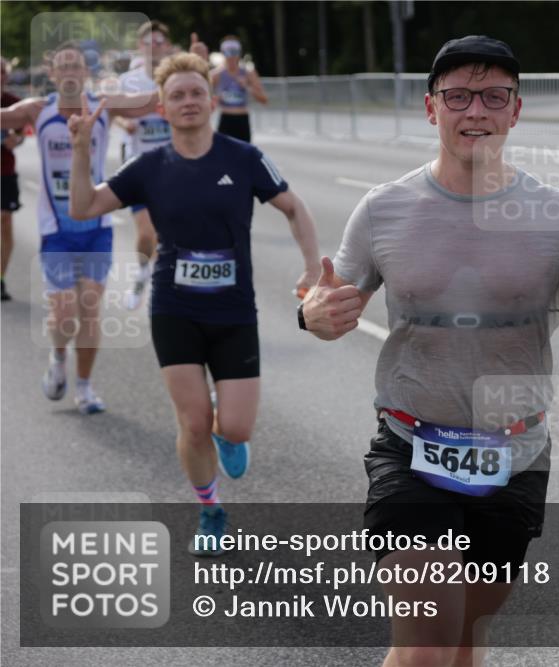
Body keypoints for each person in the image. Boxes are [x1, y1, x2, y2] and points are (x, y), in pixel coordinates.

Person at [301, 35, 559, 667]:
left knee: (466, 634)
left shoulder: (558, 216)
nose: (476, 113)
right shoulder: (384, 209)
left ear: (515, 111)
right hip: (410, 445)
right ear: (432, 109)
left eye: (493, 97)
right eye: (458, 96)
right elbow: (327, 305)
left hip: (514, 454)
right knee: (428, 644)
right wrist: (314, 314)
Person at [68, 52, 320, 554]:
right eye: (177, 95)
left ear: (211, 99)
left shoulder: (243, 157)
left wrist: (313, 267)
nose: (187, 102)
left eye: (196, 93)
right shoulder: (148, 165)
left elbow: (294, 207)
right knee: (192, 423)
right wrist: (80, 149)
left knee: (236, 425)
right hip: (174, 309)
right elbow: (84, 206)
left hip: (233, 312)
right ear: (161, 107)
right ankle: (210, 509)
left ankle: (230, 434)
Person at [0, 41, 159, 414]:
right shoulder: (37, 110)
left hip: (97, 224)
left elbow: (149, 103)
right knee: (64, 314)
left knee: (89, 308)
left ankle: (85, 388)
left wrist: (169, 68)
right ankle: (58, 359)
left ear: (85, 72)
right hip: (55, 227)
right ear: (52, 73)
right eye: (63, 66)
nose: (70, 71)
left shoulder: (104, 105)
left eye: (76, 65)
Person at [116, 20, 174, 310]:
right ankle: (141, 274)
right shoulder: (129, 80)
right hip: (140, 165)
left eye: (160, 42)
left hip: (176, 167)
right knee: (147, 233)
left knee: (170, 235)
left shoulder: (176, 78)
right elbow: (113, 109)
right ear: (141, 47)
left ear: (168, 46)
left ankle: (162, 289)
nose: (155, 47)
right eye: (149, 42)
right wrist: (124, 121)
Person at [211, 35, 267, 143]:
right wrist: (216, 97)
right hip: (225, 119)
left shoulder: (248, 73)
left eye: (234, 52)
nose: (231, 57)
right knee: (224, 158)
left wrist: (247, 87)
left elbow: (264, 99)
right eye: (228, 52)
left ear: (239, 53)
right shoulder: (215, 75)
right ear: (223, 52)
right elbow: (203, 98)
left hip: (242, 120)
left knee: (244, 157)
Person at [1, 57, 24, 302]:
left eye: (1, 72)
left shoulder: (14, 104)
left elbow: (22, 133)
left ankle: (0, 278)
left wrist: (15, 140)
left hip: (5, 172)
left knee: (4, 221)